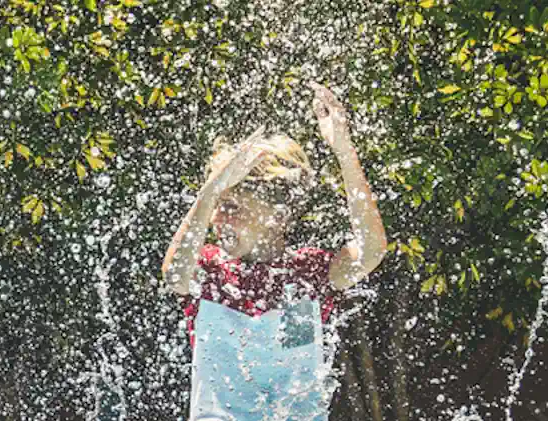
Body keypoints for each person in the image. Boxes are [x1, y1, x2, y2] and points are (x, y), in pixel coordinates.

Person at [159, 83, 388, 421]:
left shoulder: (308, 274)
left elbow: (370, 251)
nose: (218, 218)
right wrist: (209, 193)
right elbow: (174, 274)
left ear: (278, 216)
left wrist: (344, 152)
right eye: (215, 206)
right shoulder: (209, 270)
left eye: (232, 207)